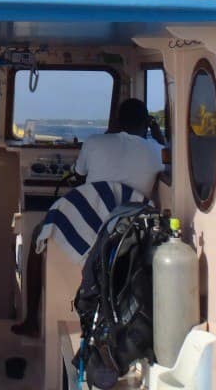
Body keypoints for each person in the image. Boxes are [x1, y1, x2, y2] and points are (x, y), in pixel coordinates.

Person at [11, 97, 165, 337]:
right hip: (127, 231)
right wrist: (156, 133)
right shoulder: (156, 150)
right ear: (146, 123)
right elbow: (166, 153)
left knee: (37, 234)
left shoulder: (94, 142)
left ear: (116, 122)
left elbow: (79, 176)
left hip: (90, 225)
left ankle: (32, 319)